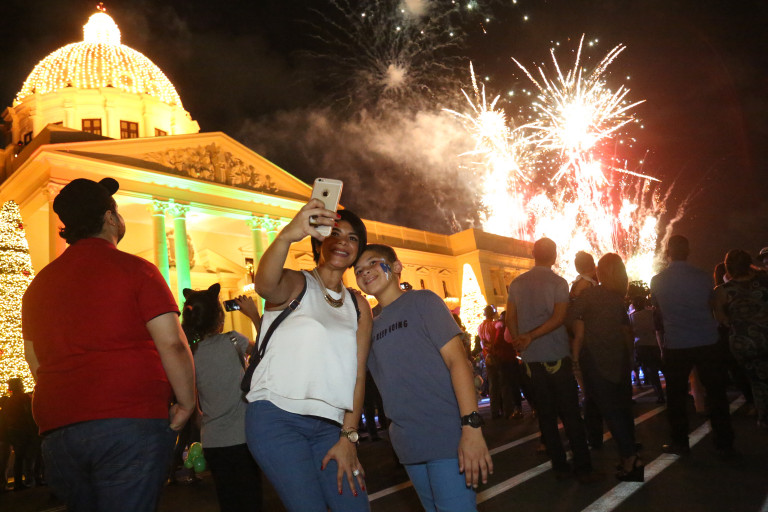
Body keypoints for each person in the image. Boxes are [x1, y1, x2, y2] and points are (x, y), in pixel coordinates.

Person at [21, 177, 196, 511]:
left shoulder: (37, 286)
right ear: (110, 217)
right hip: (129, 419)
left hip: (59, 430)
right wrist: (187, 403)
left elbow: (34, 360)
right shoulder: (137, 270)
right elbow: (172, 343)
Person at [245, 199, 372, 512]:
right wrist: (287, 236)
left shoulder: (358, 306)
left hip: (331, 427)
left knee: (354, 506)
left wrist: (349, 436)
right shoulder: (296, 282)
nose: (343, 242)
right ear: (319, 241)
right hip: (276, 418)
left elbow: (358, 374)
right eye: (335, 234)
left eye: (352, 238)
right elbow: (265, 285)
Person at [354, 244, 492, 511]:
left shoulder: (423, 301)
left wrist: (471, 427)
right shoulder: (368, 327)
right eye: (358, 270)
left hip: (447, 436)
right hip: (408, 444)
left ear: (396, 267)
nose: (365, 272)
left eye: (373, 263)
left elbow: (457, 362)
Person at [505, 238, 599, 482]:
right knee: (570, 413)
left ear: (533, 254)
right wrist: (530, 336)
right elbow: (558, 318)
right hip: (556, 355)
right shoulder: (558, 283)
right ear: (555, 256)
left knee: (546, 415)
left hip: (531, 360)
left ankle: (559, 466)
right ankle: (583, 467)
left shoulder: (516, 283)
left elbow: (510, 317)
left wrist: (520, 340)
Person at [650, 235, 735, 456]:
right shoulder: (704, 277)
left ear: (668, 252)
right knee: (716, 393)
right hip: (707, 340)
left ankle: (680, 442)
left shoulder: (657, 281)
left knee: (676, 397)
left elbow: (658, 310)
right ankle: (725, 443)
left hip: (676, 343)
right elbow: (711, 304)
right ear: (688, 251)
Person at [181, 284, 263, 512]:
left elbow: (193, 403)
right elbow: (266, 350)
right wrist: (254, 316)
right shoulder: (233, 340)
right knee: (251, 499)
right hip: (242, 436)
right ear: (219, 315)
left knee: (228, 500)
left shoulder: (191, 353)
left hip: (213, 441)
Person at [572, 254, 643, 481]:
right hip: (620, 358)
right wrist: (630, 358)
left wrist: (574, 295)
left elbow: (570, 319)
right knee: (623, 409)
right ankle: (630, 455)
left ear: (600, 271)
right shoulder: (617, 298)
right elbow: (626, 331)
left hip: (596, 360)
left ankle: (630, 458)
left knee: (610, 411)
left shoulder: (589, 295)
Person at [714, 249, 768, 429]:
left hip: (744, 343)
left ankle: (764, 417)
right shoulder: (764, 282)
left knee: (756, 381)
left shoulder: (722, 290)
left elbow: (721, 319)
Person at [629, 296, 665, 404]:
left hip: (641, 345)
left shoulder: (632, 317)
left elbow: (631, 333)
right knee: (663, 367)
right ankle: (675, 391)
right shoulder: (651, 313)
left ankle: (660, 394)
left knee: (651, 371)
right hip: (654, 343)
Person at [4, 378, 36, 490]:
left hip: (14, 431)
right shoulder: (23, 398)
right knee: (28, 455)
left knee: (19, 456)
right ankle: (29, 479)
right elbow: (28, 414)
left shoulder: (9, 401)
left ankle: (19, 481)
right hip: (24, 430)